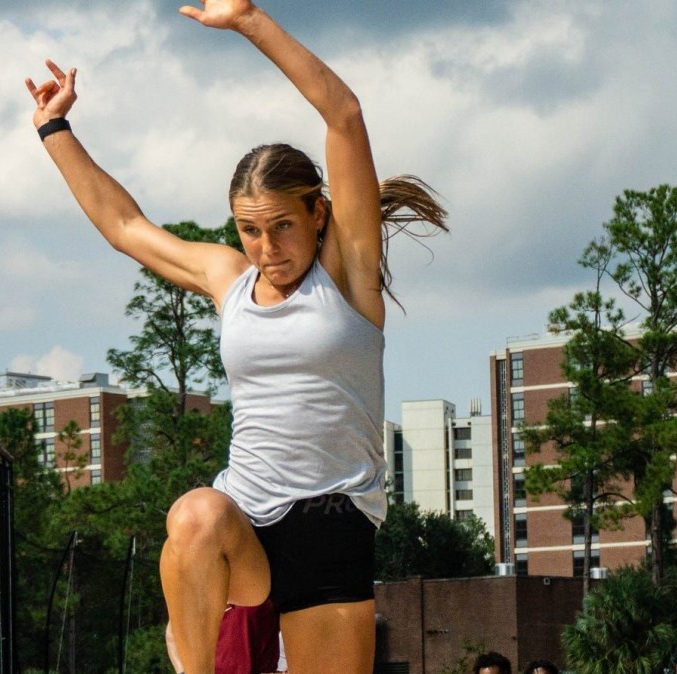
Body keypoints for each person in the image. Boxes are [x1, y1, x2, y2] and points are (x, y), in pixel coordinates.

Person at [25, 2, 445, 672]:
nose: (266, 248)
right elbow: (125, 228)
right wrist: (55, 128)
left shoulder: (348, 274)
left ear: (318, 212)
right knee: (195, 515)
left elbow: (344, 115)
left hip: (331, 525)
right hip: (244, 519)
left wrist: (249, 21)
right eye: (250, 230)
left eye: (282, 226)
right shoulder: (230, 281)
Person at [166, 600, 281, 674]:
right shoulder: (198, 587)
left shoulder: (265, 583)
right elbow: (172, 635)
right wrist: (182, 671)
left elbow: (286, 630)